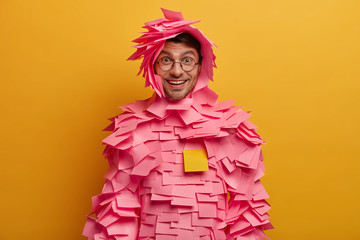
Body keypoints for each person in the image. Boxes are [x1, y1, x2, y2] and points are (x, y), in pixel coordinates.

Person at [83, 8, 273, 240]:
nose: (176, 70)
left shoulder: (232, 127)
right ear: (152, 66)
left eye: (187, 60)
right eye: (166, 60)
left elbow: (249, 210)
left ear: (200, 66)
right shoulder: (130, 128)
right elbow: (119, 204)